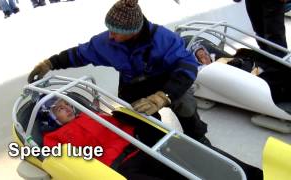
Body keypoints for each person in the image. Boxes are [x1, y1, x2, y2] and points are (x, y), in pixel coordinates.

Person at [28, 0, 209, 145]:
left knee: (185, 102)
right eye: (109, 29)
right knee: (140, 120)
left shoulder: (163, 38)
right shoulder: (107, 42)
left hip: (165, 81)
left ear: (133, 31)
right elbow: (78, 54)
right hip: (132, 85)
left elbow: (187, 64)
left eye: (115, 32)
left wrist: (162, 97)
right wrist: (50, 63)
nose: (110, 35)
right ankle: (157, 147)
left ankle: (198, 137)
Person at [39, 97, 263, 180]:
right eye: (60, 108)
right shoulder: (54, 138)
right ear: (52, 118)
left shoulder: (94, 115)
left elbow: (124, 121)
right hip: (120, 166)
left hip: (143, 146)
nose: (67, 108)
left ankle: (252, 176)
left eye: (67, 104)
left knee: (194, 157)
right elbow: (57, 158)